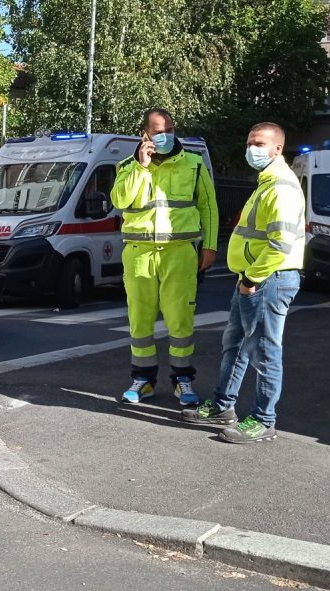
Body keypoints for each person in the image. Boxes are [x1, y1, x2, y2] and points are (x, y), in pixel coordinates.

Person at [182, 122, 306, 444]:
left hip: (268, 280)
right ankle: (223, 406)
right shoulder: (266, 183)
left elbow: (280, 244)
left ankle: (264, 421)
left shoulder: (279, 186)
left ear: (278, 148)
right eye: (250, 141)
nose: (253, 148)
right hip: (252, 279)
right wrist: (246, 279)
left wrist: (251, 278)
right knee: (235, 345)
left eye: (260, 143)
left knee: (264, 351)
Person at [111, 108, 219, 406]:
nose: (165, 135)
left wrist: (209, 246)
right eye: (158, 130)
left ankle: (182, 380)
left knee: (180, 321)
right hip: (139, 254)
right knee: (140, 321)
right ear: (144, 134)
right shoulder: (126, 167)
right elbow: (120, 201)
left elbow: (209, 208)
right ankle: (142, 380)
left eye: (169, 128)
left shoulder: (194, 165)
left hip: (180, 254)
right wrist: (141, 167)